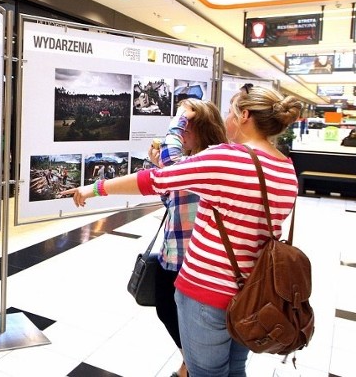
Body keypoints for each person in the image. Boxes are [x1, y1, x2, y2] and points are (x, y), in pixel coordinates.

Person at [62, 84, 302, 377]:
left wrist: (94, 188)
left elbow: (155, 179)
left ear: (245, 116)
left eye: (230, 110)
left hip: (207, 292)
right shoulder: (285, 167)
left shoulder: (226, 157)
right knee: (236, 368)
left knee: (205, 372)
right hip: (252, 293)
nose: (226, 117)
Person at [147, 98, 228, 377]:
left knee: (178, 315)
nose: (180, 136)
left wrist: (178, 120)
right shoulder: (194, 161)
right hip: (174, 251)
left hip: (193, 259)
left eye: (185, 127)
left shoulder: (210, 160)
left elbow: (172, 160)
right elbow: (172, 199)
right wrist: (160, 168)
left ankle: (189, 367)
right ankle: (188, 363)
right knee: (166, 310)